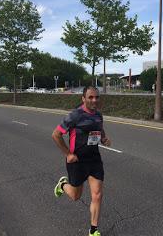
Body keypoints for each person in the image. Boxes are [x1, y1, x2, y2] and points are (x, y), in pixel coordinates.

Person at [52, 86, 111, 236]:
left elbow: (99, 128)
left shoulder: (99, 115)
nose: (94, 100)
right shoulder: (75, 115)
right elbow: (56, 134)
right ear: (83, 99)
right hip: (77, 160)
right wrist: (68, 154)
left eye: (97, 97)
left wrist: (103, 138)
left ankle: (93, 230)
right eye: (90, 97)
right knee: (75, 196)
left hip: (94, 159)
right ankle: (63, 184)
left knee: (97, 194)